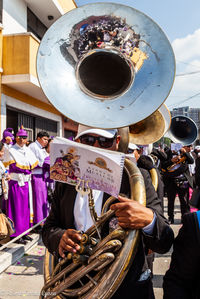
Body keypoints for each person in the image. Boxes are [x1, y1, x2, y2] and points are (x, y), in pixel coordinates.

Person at [42, 124, 174, 299]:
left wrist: (149, 220)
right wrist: (60, 238)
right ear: (78, 141)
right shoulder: (66, 181)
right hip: (76, 285)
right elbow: (49, 228)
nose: (95, 147)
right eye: (88, 140)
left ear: (117, 142)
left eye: (104, 141)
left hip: (126, 289)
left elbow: (165, 241)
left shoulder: (137, 177)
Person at [163, 157, 200, 298]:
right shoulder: (167, 154)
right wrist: (171, 159)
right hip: (172, 182)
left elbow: (190, 163)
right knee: (171, 202)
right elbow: (177, 282)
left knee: (184, 203)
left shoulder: (187, 157)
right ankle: (171, 216)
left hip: (183, 182)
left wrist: (184, 156)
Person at [3, 126, 38, 244]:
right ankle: (16, 234)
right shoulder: (11, 150)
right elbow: (14, 167)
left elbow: (32, 165)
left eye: (24, 137)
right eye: (20, 137)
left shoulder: (27, 150)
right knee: (17, 209)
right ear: (16, 138)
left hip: (26, 183)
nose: (22, 140)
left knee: (26, 208)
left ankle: (25, 232)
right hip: (16, 183)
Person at [162, 145, 194, 224]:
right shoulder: (168, 152)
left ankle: (185, 217)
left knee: (184, 201)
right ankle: (170, 217)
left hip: (182, 180)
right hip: (171, 180)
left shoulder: (185, 154)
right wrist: (171, 161)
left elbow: (191, 161)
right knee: (171, 200)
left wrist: (185, 153)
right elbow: (163, 165)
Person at [29, 131, 49, 227]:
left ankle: (43, 220)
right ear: (38, 138)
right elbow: (31, 162)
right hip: (36, 175)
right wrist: (44, 164)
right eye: (45, 139)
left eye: (47, 140)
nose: (46, 142)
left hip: (43, 175)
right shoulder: (33, 147)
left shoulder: (42, 149)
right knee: (38, 199)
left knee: (43, 199)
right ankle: (38, 222)